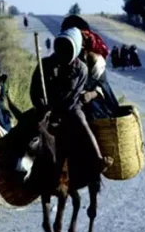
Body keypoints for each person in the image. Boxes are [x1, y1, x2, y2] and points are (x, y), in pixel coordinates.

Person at [30, 27, 109, 172]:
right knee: (27, 126)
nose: (63, 53)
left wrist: (58, 112)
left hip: (70, 107)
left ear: (76, 49)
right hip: (45, 107)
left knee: (81, 121)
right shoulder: (45, 64)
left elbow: (73, 96)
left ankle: (98, 159)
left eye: (68, 48)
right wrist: (41, 104)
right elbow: (35, 90)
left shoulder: (81, 69)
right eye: (61, 47)